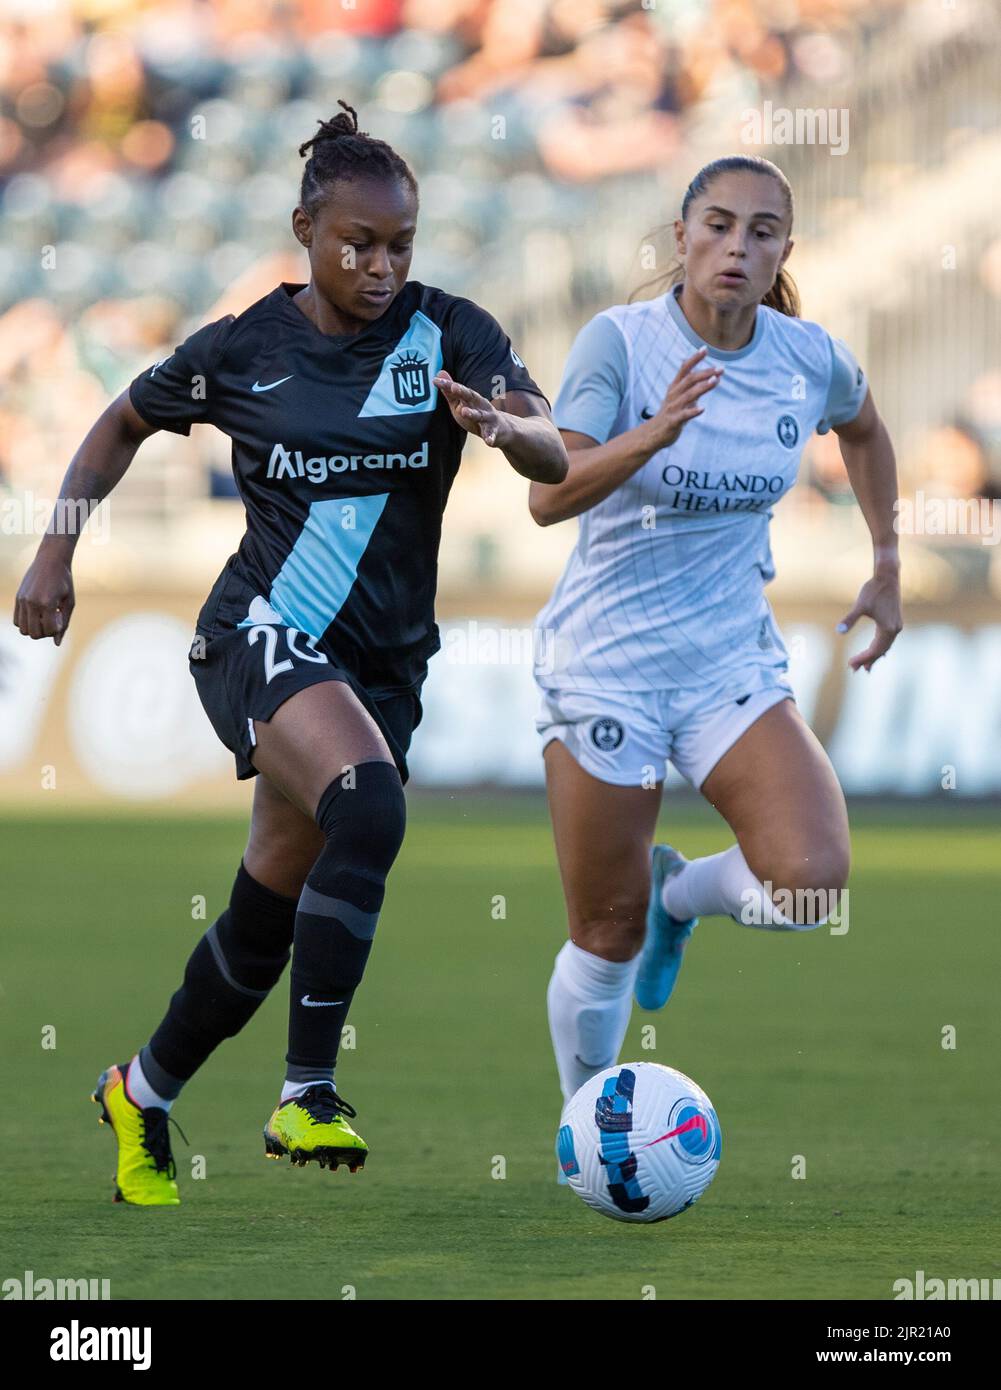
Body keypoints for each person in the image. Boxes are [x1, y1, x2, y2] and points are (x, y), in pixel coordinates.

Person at [13, 102, 567, 1205]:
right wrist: (52, 556)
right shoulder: (242, 349)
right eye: (357, 242)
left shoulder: (448, 329)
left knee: (266, 915)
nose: (379, 263)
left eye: (399, 244)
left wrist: (504, 432)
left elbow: (554, 451)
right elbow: (120, 420)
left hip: (382, 667)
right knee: (366, 803)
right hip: (258, 630)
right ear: (304, 228)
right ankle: (306, 1091)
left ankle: (143, 1090)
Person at [529, 155, 902, 1165]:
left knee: (809, 883)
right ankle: (590, 1128)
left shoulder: (801, 355)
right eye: (719, 225)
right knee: (601, 933)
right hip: (603, 664)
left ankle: (678, 896)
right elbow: (549, 491)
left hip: (727, 661)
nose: (738, 248)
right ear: (681, 233)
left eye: (763, 232)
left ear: (785, 249)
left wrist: (884, 560)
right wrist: (653, 432)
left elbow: (864, 430)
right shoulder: (620, 341)